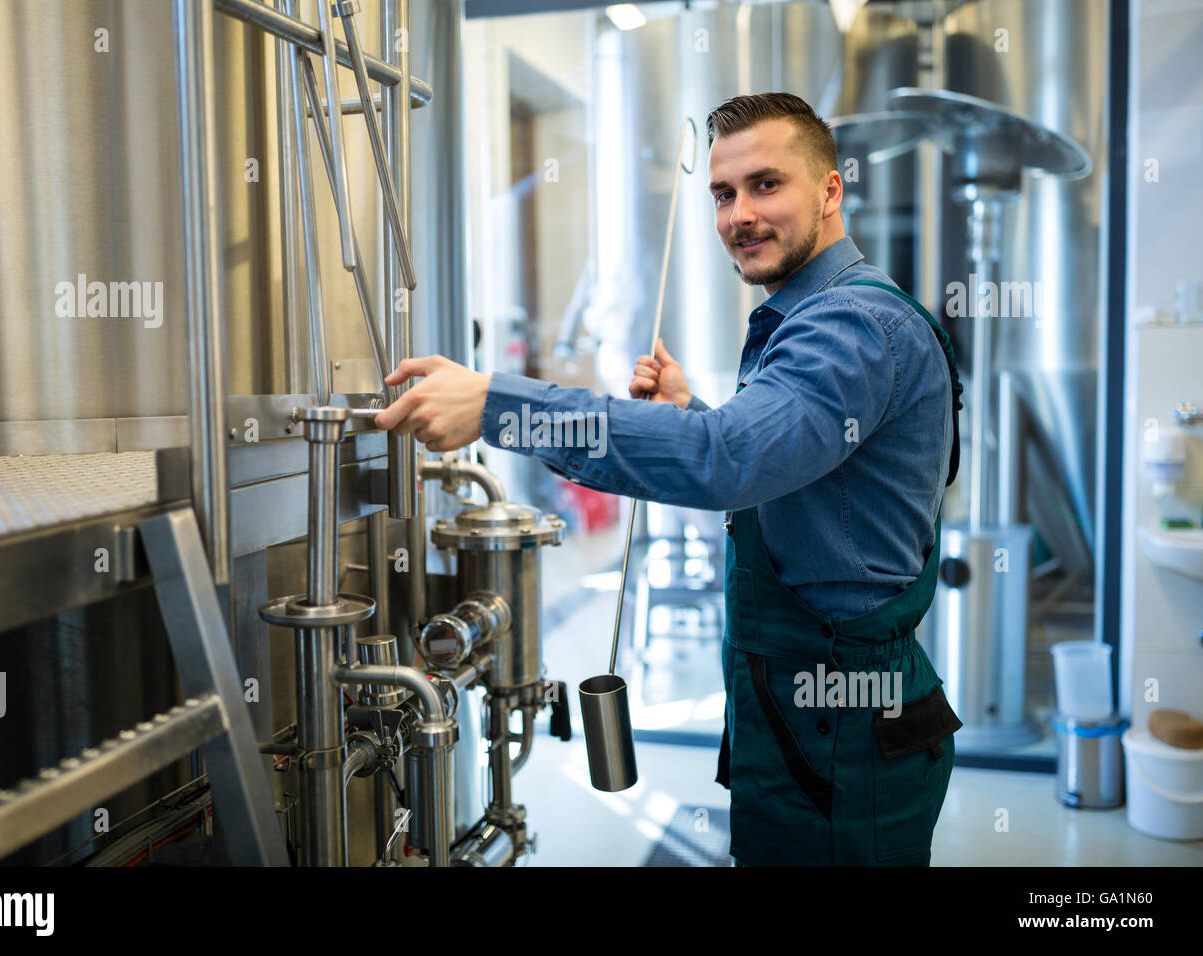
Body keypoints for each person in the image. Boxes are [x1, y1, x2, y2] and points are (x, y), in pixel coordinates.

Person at [375, 92, 964, 866]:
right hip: (804, 715)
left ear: (829, 192)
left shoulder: (848, 324)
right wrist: (694, 412)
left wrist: (498, 406)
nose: (739, 215)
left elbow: (728, 461)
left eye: (766, 184)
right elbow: (796, 468)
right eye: (723, 193)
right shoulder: (812, 317)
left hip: (844, 736)